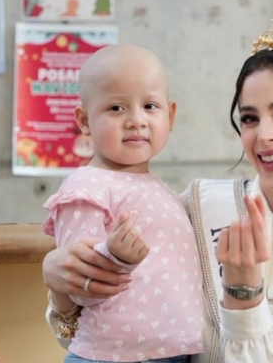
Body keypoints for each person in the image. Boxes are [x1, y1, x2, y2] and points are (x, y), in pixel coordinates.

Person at [42, 8, 273, 363]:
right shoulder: (200, 203)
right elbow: (101, 336)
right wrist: (60, 286)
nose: (265, 135)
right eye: (250, 118)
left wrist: (243, 290)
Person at [42, 44, 206, 362]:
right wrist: (114, 255)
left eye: (150, 106)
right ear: (84, 120)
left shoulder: (164, 191)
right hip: (112, 356)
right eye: (116, 108)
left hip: (174, 354)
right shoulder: (86, 186)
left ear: (170, 115)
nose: (136, 120)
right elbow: (78, 288)